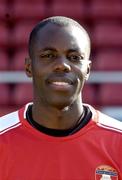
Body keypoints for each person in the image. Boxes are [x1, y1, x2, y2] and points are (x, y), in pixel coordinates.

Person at [0, 16, 122, 179]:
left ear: (88, 69)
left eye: (74, 57)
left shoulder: (118, 142)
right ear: (29, 67)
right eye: (49, 55)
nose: (62, 65)